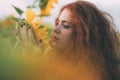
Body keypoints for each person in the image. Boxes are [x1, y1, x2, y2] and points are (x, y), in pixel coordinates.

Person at [14, 0, 120, 80]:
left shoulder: (92, 75)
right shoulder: (54, 63)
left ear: (85, 34)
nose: (55, 29)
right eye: (57, 23)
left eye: (66, 25)